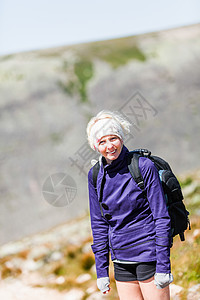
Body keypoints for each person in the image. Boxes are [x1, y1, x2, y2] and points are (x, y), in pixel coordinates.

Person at [86, 110, 173, 300]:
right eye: (102, 141)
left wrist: (163, 266)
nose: (110, 146)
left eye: (113, 138)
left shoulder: (143, 166)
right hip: (121, 259)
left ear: (122, 138)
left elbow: (161, 217)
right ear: (95, 145)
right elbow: (99, 224)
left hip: (149, 254)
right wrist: (101, 271)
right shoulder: (94, 175)